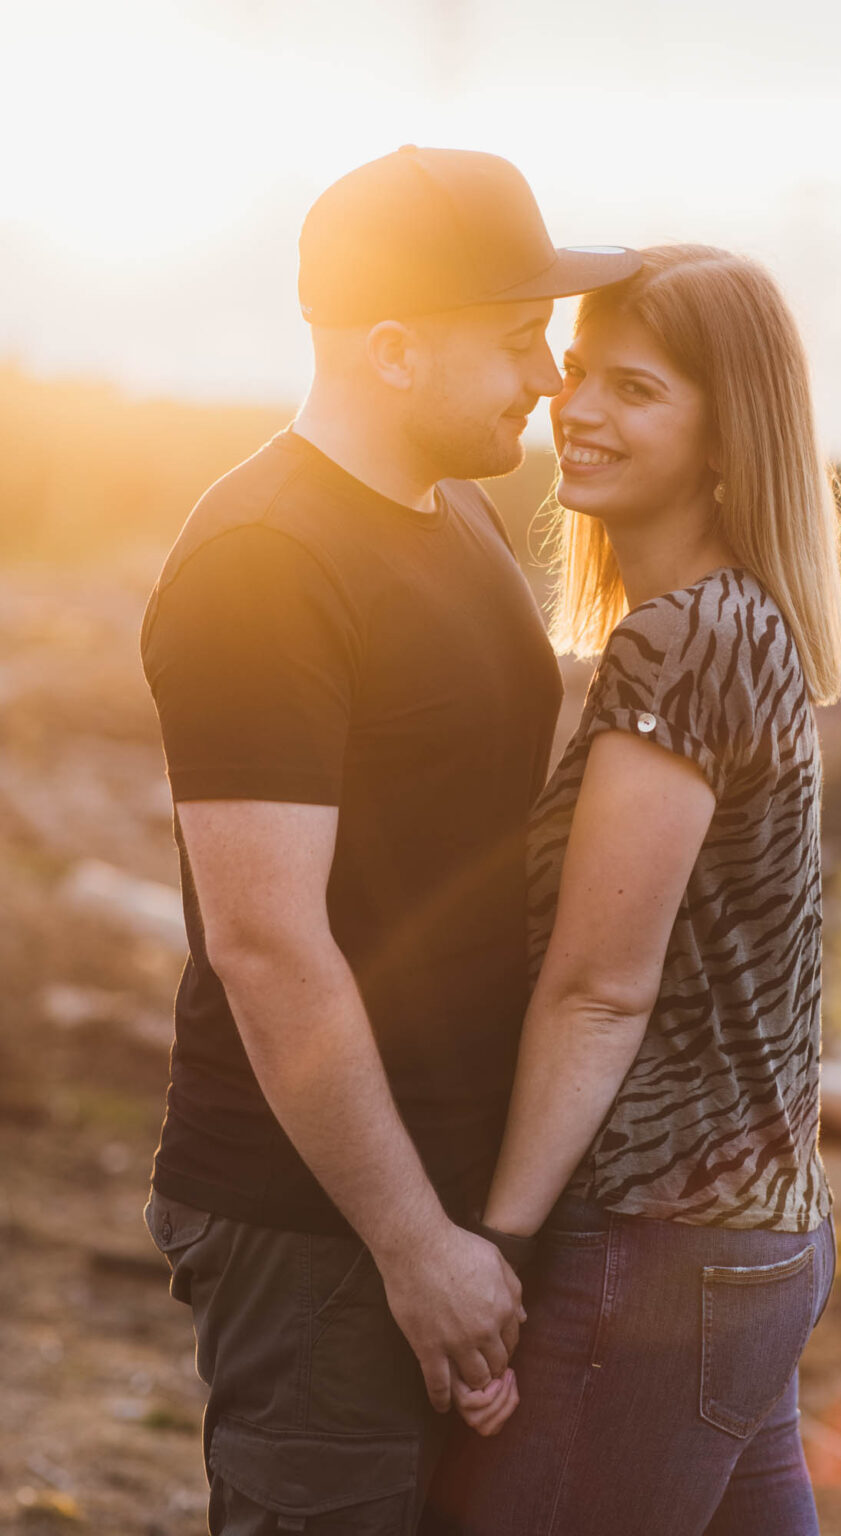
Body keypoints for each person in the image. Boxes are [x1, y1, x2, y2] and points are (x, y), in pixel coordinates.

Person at [139, 145, 639, 1535]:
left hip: (449, 1191)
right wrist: (412, 1242)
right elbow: (265, 939)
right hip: (322, 1218)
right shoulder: (265, 560)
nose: (547, 378)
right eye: (517, 338)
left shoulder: (458, 512)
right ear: (395, 351)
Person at [420, 244, 841, 1535]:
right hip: (753, 1239)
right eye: (582, 375)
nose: (579, 410)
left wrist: (492, 1250)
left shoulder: (686, 639)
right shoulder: (736, 623)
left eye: (636, 390)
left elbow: (600, 990)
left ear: (729, 435)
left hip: (661, 1250)